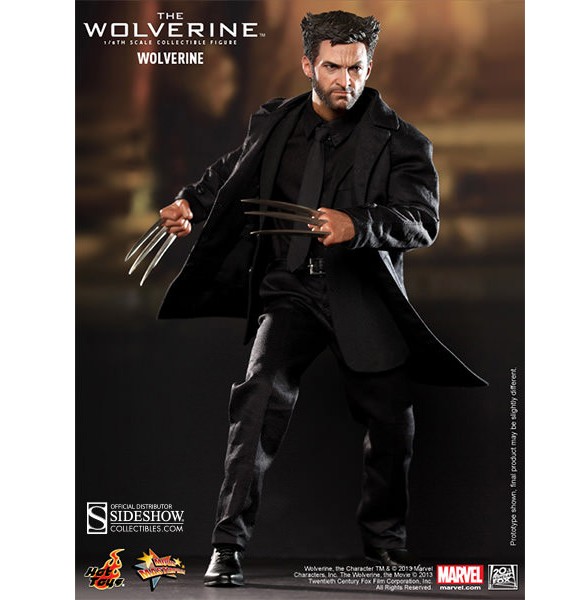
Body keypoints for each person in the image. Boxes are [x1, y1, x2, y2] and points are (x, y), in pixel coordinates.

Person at [154, 10, 486, 587]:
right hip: (291, 290)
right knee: (258, 396)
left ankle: (384, 550)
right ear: (308, 64)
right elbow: (233, 171)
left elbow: (421, 221)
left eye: (356, 68)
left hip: (362, 293)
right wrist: (190, 204)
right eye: (333, 67)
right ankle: (227, 545)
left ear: (369, 67)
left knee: (392, 423)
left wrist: (357, 224)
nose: (345, 80)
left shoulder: (402, 141)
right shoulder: (276, 123)